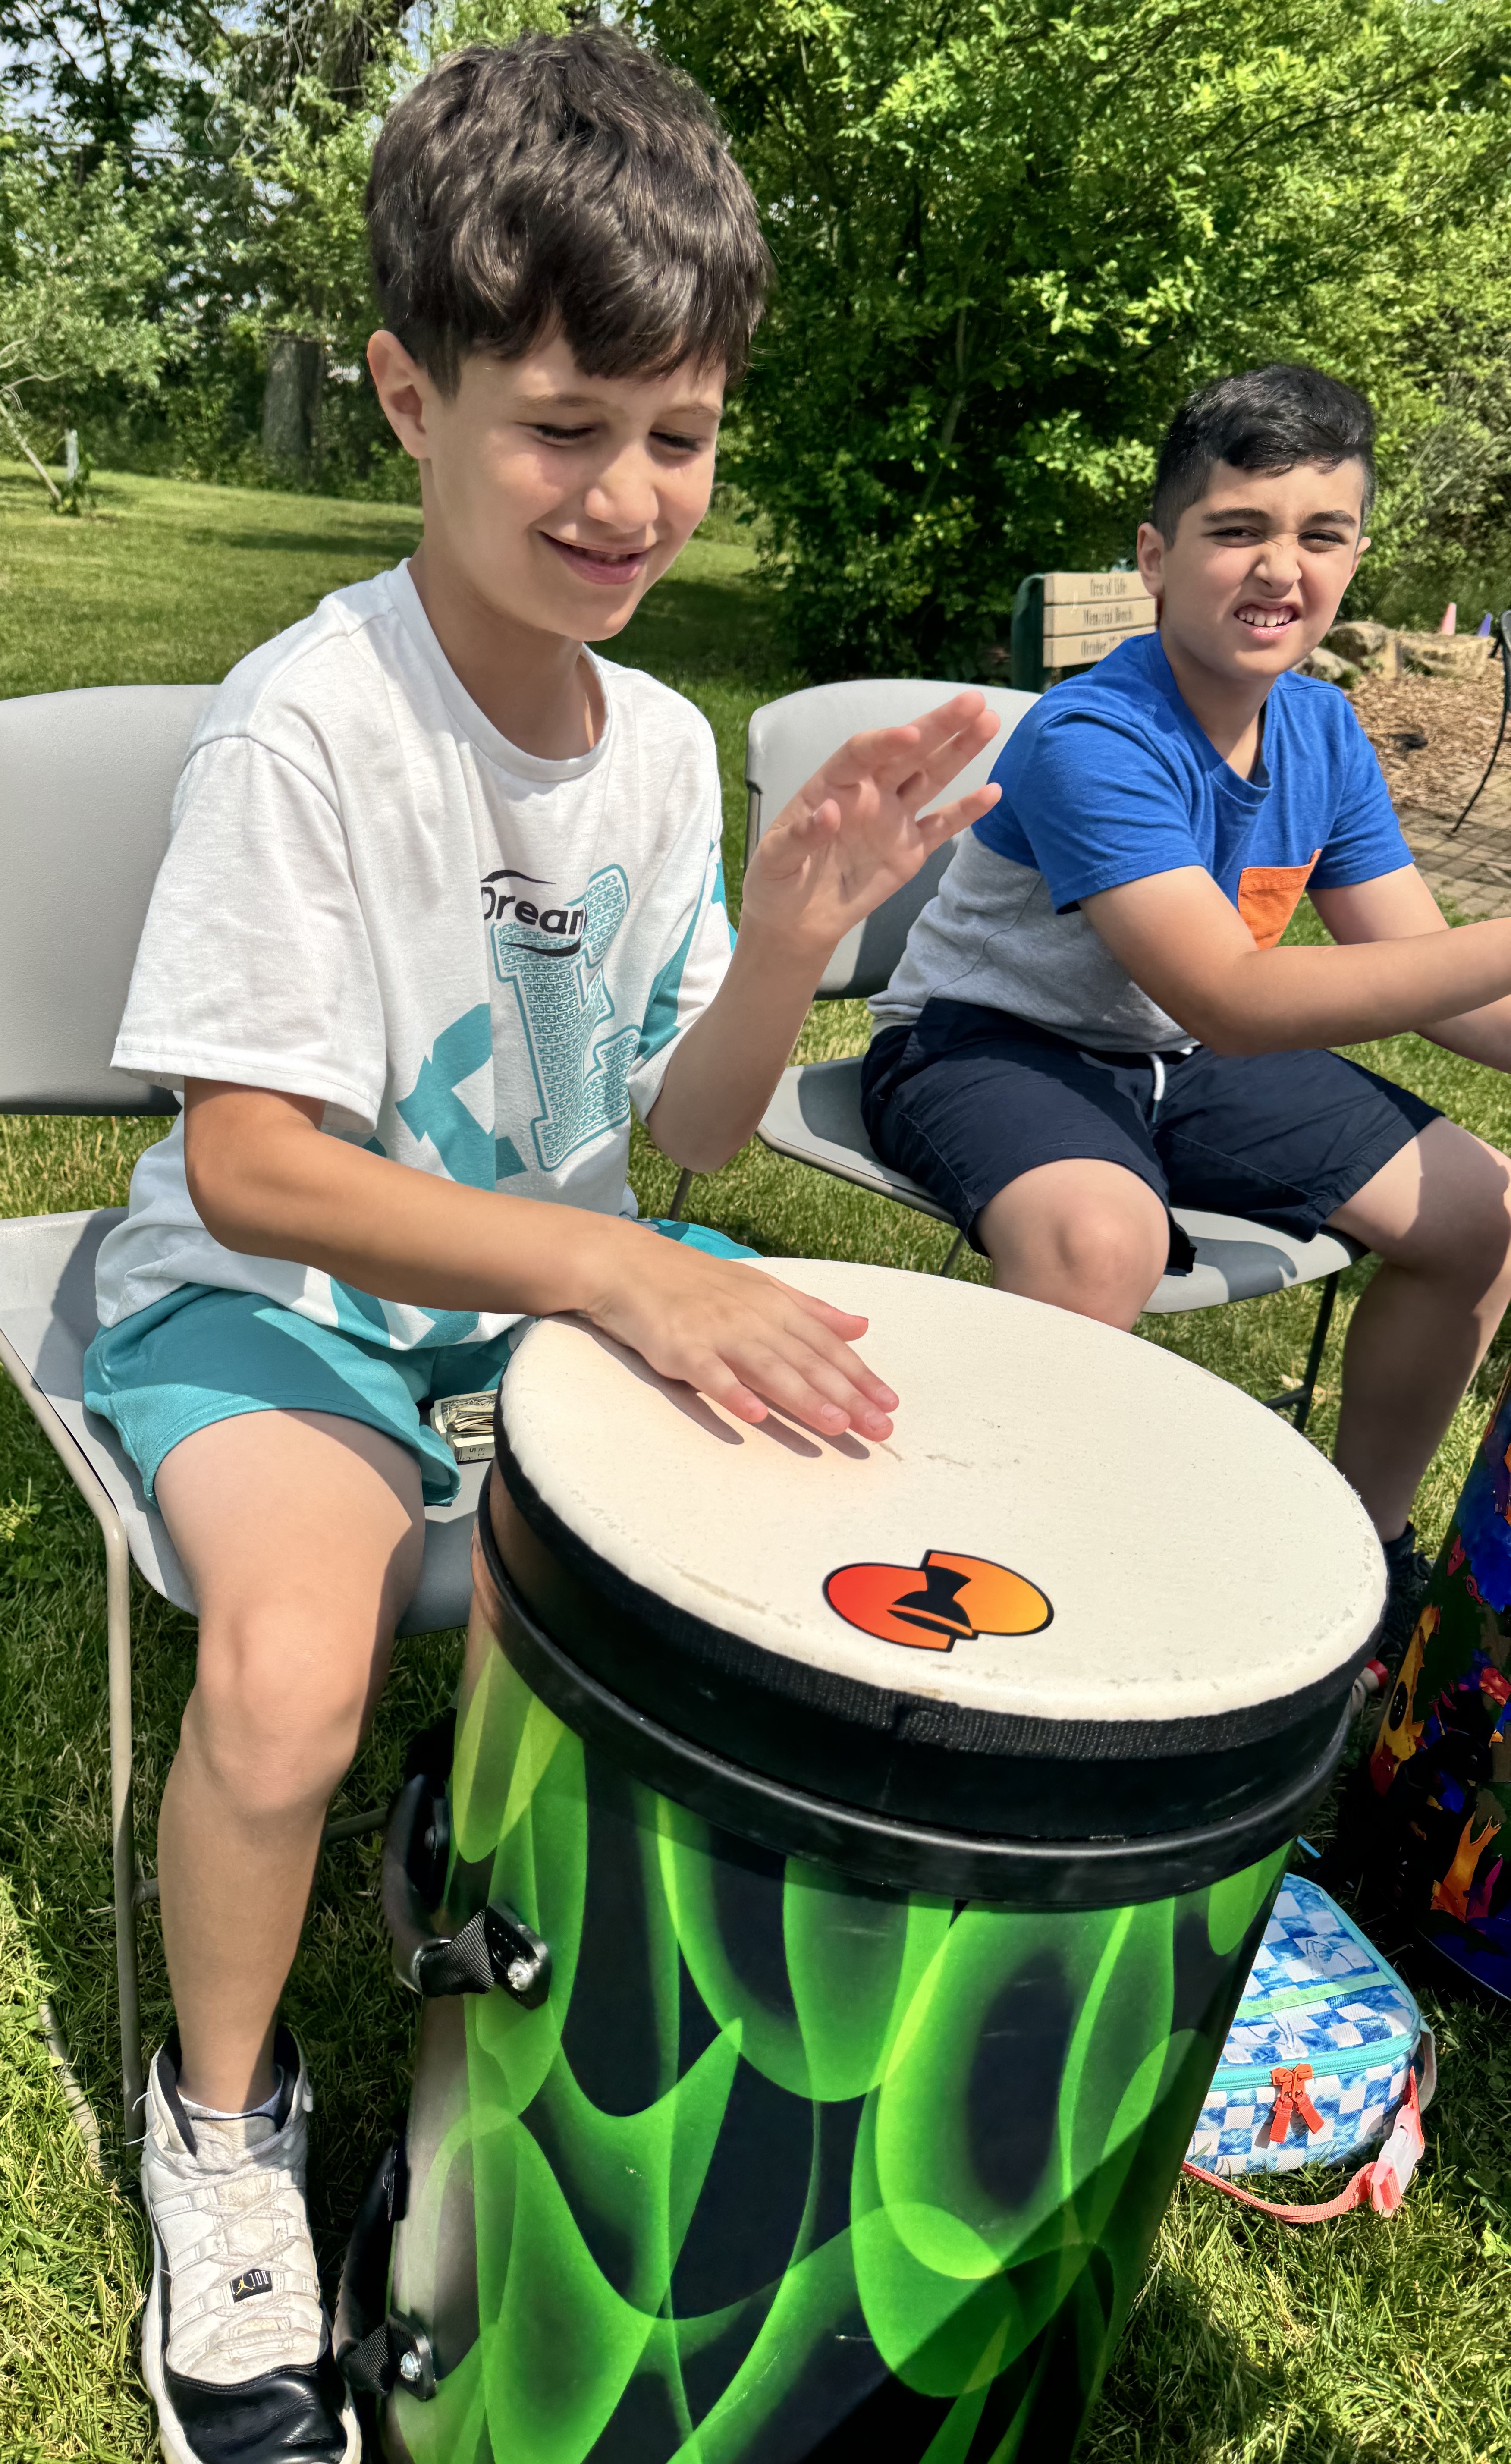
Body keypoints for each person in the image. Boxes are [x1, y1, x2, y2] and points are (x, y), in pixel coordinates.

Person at [82, 30, 1000, 2464]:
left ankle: (483, 2079)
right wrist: (601, 1274)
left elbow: (674, 1148)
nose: (624, 496)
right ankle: (223, 2137)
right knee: (286, 1676)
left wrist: (786, 944)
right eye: (561, 423)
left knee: (630, 1662)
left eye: (675, 436)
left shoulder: (672, 750)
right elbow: (260, 1165)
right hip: (266, 1308)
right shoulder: (307, 731)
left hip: (514, 1333)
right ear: (409, 390)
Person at [861, 360, 1511, 1658]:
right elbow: (1234, 995)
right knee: (1103, 1238)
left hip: (1181, 1059)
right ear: (1156, 556)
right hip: (983, 1044)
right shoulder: (1090, 735)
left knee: (1482, 1209)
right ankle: (986, 1579)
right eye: (1238, 530)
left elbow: (1428, 975)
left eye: (1319, 535)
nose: (1280, 569)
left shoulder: (1320, 731)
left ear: (1353, 558)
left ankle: (1358, 1564)